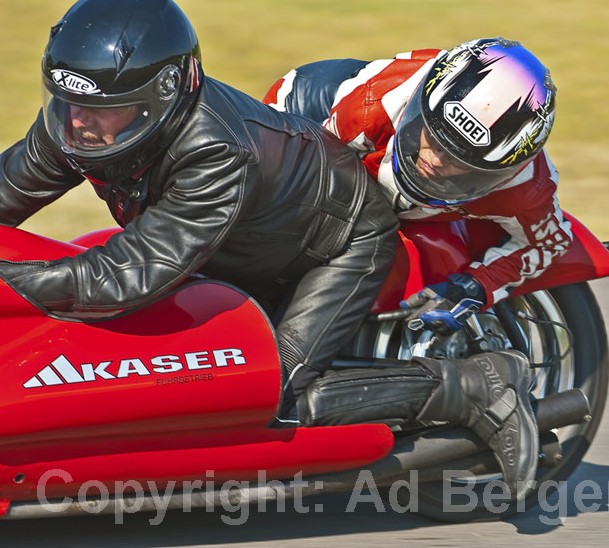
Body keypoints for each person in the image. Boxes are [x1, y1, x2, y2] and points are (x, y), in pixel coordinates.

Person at [0, 0, 538, 500]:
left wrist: (10, 280)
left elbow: (133, 273)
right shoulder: (81, 125)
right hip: (242, 243)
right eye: (67, 101)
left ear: (158, 100)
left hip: (340, 243)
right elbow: (9, 190)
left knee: (267, 393)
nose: (76, 122)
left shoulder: (213, 149)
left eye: (102, 108)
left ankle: (469, 386)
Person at [264, 39, 573, 329]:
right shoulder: (374, 106)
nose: (437, 161)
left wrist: (472, 287)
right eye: (435, 139)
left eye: (463, 162)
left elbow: (548, 242)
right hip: (311, 117)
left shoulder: (524, 186)